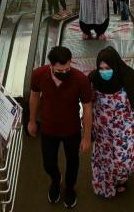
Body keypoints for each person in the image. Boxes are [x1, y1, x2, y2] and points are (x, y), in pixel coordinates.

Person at [28, 46, 93, 208]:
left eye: (67, 69)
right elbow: (34, 96)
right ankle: (56, 181)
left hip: (71, 129)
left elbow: (87, 108)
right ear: (51, 66)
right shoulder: (39, 75)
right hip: (49, 129)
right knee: (48, 163)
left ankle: (70, 188)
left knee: (73, 162)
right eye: (59, 70)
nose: (64, 73)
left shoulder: (80, 79)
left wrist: (86, 137)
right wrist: (31, 121)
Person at [89, 46, 134, 198]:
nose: (104, 71)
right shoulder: (93, 79)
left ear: (115, 65)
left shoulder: (129, 78)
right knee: (105, 159)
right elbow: (87, 102)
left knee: (123, 158)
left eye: (108, 68)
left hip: (124, 129)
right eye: (101, 68)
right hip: (102, 130)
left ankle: (121, 179)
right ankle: (108, 184)